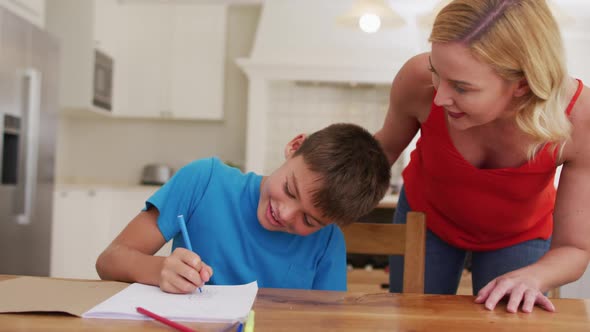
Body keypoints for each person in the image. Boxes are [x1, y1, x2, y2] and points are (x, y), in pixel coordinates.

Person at [374, 0, 590, 313]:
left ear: (522, 84)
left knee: (508, 318)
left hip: (520, 233)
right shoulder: (416, 78)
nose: (440, 97)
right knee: (415, 320)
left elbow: (574, 247)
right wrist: (320, 167)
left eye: (461, 87)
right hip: (427, 218)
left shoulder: (580, 119)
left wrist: (536, 276)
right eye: (437, 72)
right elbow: (383, 151)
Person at [96, 123, 391, 293]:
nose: (285, 214)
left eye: (309, 220)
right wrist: (159, 269)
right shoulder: (203, 181)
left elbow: (328, 323)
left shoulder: (327, 243)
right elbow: (109, 261)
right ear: (294, 146)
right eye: (289, 190)